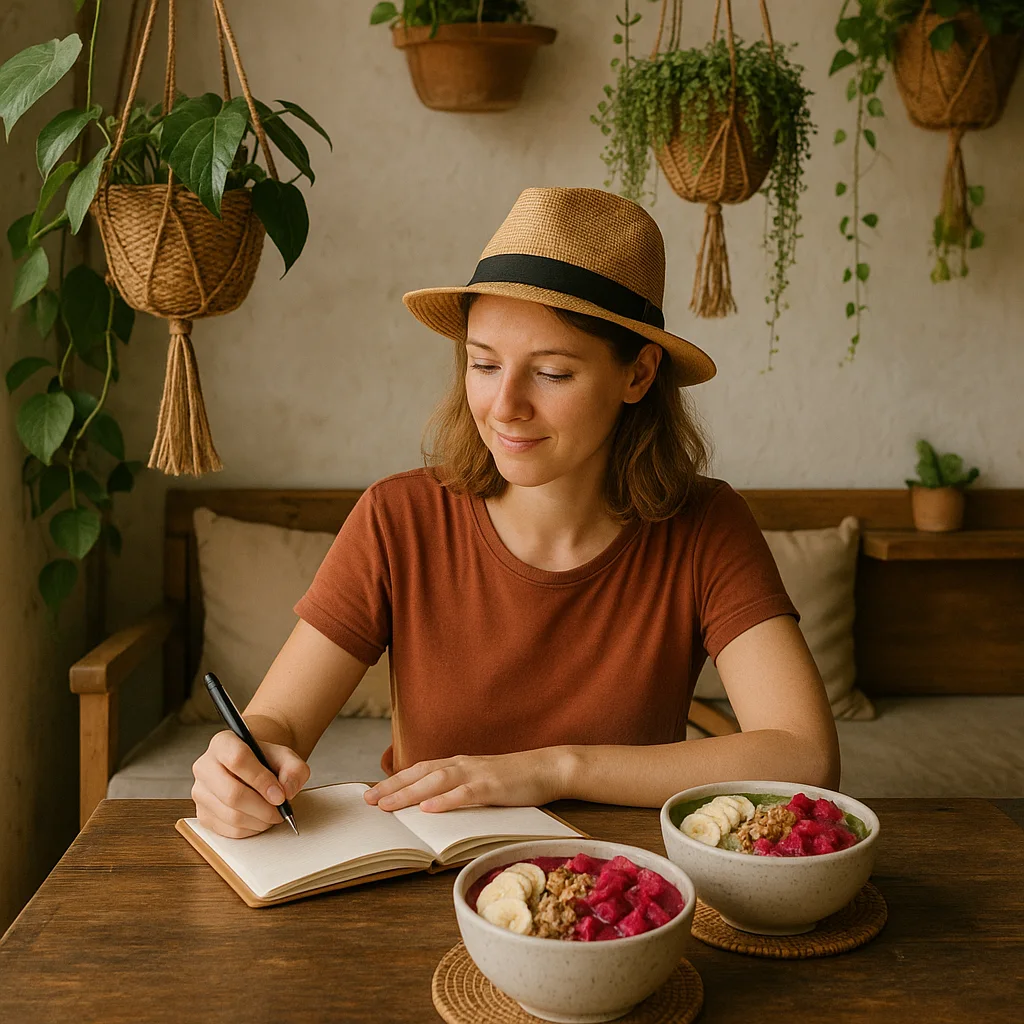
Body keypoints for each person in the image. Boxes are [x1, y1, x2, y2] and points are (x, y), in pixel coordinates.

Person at [191, 187, 840, 838]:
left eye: (552, 373)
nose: (504, 406)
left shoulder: (707, 526)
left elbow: (805, 756)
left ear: (638, 375)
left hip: (627, 876)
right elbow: (278, 723)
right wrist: (242, 765)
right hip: (434, 873)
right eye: (483, 364)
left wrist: (554, 769)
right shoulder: (398, 518)